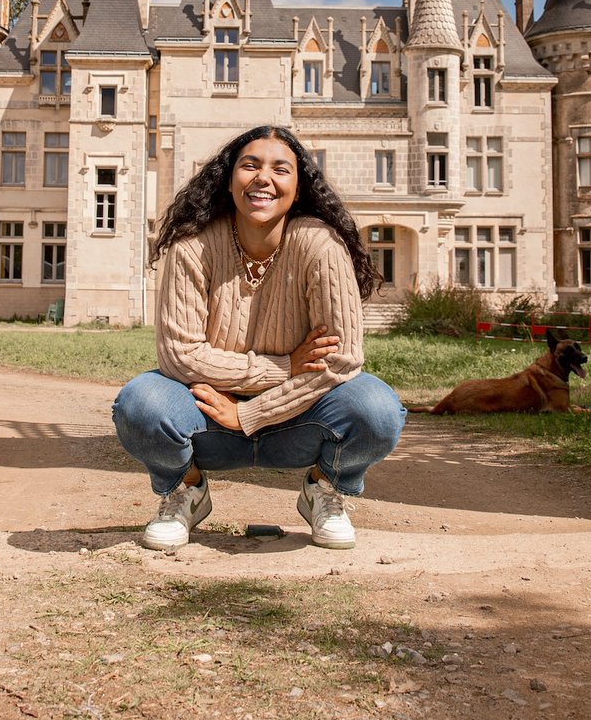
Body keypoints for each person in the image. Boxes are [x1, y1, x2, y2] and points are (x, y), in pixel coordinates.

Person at [111, 125, 405, 550]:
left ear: (298, 186)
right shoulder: (192, 246)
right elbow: (178, 355)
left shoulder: (320, 246)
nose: (263, 177)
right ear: (228, 180)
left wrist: (251, 414)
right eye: (250, 165)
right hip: (208, 418)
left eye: (280, 169)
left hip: (299, 420)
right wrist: (283, 366)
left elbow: (341, 360)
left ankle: (324, 486)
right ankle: (186, 489)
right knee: (141, 403)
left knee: (377, 409)